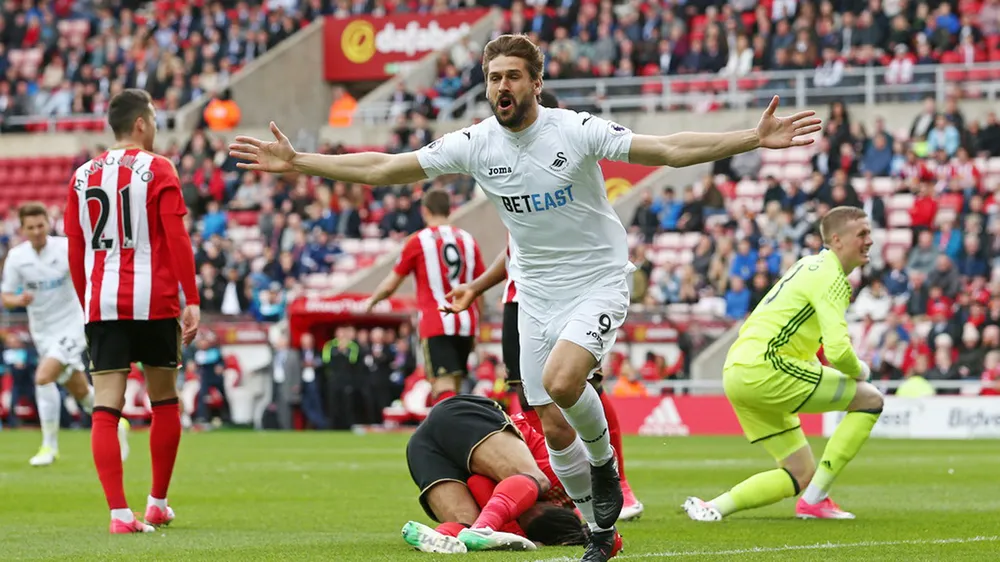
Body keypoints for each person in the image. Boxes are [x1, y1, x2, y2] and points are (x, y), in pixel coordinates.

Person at [229, 34, 819, 561]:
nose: (501, 86)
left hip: (597, 277)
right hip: (534, 291)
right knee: (551, 424)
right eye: (492, 78)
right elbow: (387, 167)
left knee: (565, 385)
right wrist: (301, 162)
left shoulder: (575, 130)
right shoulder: (476, 143)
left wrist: (751, 138)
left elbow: (665, 149)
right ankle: (600, 534)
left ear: (536, 83)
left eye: (512, 76)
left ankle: (607, 468)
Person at [683, 206, 884, 522]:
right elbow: (838, 351)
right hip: (769, 367)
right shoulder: (831, 277)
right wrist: (862, 370)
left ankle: (712, 507)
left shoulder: (808, 264)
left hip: (737, 369)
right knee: (870, 398)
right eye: (862, 234)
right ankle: (815, 501)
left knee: (799, 472)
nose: (870, 241)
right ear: (837, 240)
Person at [64, 88, 201, 534]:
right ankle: (157, 502)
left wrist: (88, 302)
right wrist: (191, 298)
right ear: (141, 123)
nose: (157, 127)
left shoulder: (82, 176)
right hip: (154, 299)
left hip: (102, 302)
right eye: (156, 119)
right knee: (164, 400)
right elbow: (175, 236)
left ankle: (120, 513)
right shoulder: (159, 168)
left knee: (107, 405)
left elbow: (76, 249)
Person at [463, 234, 645, 522]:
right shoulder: (512, 193)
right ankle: (565, 493)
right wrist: (475, 287)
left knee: (584, 387)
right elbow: (514, 246)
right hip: (520, 301)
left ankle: (617, 481)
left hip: (570, 294)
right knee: (533, 402)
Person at [1, 202, 130, 466]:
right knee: (80, 391)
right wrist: (18, 300)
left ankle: (49, 446)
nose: (37, 231)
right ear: (23, 229)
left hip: (73, 324)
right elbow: (6, 295)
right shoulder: (17, 257)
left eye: (41, 225)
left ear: (48, 223)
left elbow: (93, 275)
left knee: (43, 376)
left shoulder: (66, 248)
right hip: (43, 331)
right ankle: (117, 423)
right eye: (31, 227)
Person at [401, 394, 599, 554]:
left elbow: (477, 482)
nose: (515, 510)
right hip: (461, 415)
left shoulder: (518, 497)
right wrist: (511, 532)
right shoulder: (564, 482)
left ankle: (436, 536)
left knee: (465, 523)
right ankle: (484, 528)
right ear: (552, 504)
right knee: (537, 479)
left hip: (423, 448)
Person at [363, 187, 485, 404]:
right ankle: (454, 435)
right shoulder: (468, 240)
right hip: (466, 322)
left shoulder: (418, 241)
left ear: (425, 211)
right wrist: (477, 325)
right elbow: (479, 288)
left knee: (442, 387)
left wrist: (372, 301)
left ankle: (450, 436)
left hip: (436, 321)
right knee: (455, 384)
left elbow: (391, 284)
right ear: (449, 210)